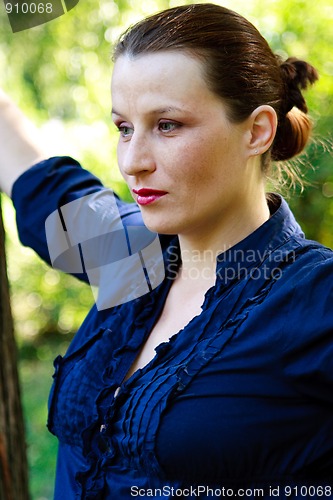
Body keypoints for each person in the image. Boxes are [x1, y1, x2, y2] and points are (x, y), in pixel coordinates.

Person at [1, 3, 333, 499]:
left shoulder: (316, 300)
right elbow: (41, 182)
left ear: (257, 130)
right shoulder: (128, 252)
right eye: (124, 128)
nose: (132, 163)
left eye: (169, 125)